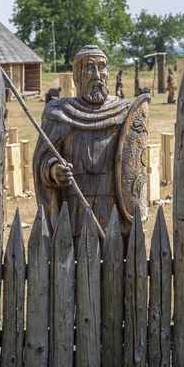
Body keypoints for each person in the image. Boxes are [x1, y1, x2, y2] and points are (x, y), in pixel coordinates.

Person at [33, 45, 148, 240]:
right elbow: (43, 161)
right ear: (76, 76)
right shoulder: (60, 114)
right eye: (89, 67)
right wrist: (54, 171)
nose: (97, 74)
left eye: (102, 67)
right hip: (75, 213)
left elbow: (134, 166)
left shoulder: (124, 113)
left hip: (115, 214)